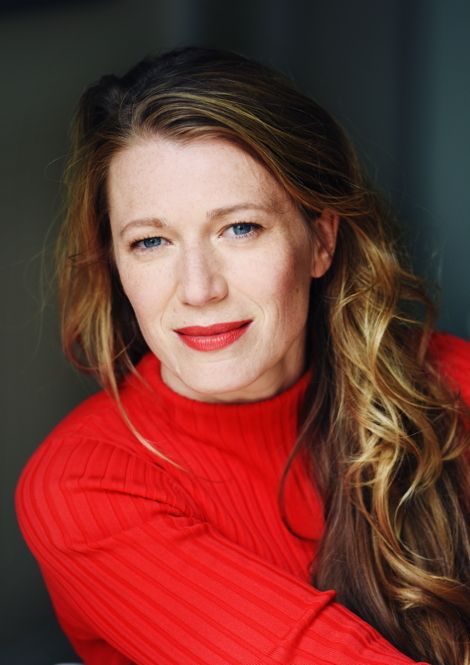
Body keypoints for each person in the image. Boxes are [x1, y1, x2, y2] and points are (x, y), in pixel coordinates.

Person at [16, 46, 469, 665]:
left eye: (240, 228)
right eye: (151, 241)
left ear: (321, 241)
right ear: (116, 264)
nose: (199, 288)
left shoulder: (448, 385)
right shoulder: (85, 486)